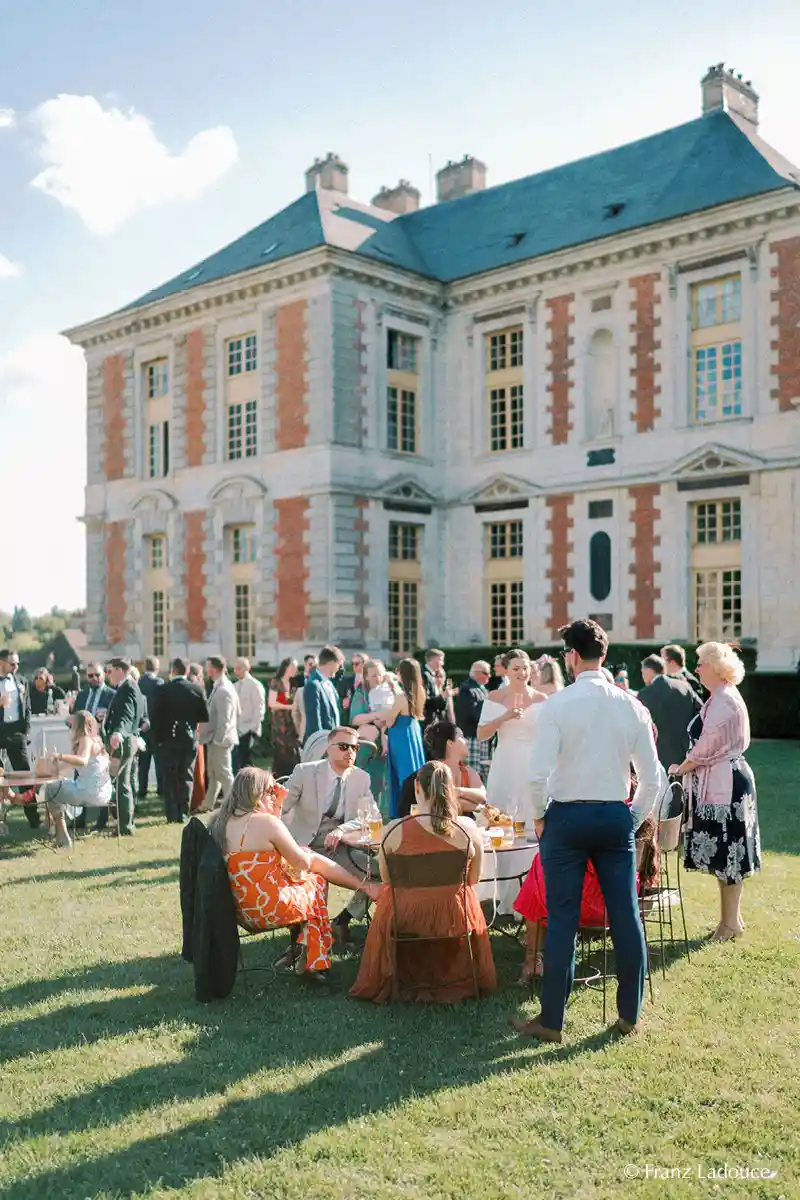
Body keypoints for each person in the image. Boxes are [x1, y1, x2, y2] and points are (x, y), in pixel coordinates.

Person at [509, 619, 661, 1043]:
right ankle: (629, 1015)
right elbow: (653, 777)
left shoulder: (557, 705)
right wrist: (631, 817)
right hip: (613, 816)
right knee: (627, 919)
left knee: (562, 919)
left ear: (571, 657)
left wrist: (540, 817)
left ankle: (552, 1021)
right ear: (604, 655)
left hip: (566, 818)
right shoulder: (631, 705)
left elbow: (536, 775)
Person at [210, 767, 381, 983]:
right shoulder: (265, 823)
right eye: (271, 792)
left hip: (238, 909)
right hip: (268, 910)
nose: (275, 796)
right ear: (257, 794)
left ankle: (302, 949)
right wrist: (279, 811)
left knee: (308, 869)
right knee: (316, 878)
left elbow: (271, 847)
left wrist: (277, 805)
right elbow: (301, 861)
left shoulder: (219, 822)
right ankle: (312, 958)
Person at [351, 760, 497, 1004]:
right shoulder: (468, 828)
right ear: (451, 789)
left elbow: (387, 879)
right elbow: (473, 879)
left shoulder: (393, 829)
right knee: (465, 895)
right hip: (453, 915)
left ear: (417, 787)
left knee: (390, 895)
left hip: (406, 914)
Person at [669, 642, 760, 943]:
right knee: (726, 855)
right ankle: (730, 920)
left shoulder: (723, 699)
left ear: (715, 667)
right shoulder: (720, 696)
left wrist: (681, 768)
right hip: (726, 780)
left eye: (700, 664)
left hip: (728, 784)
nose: (696, 669)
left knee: (730, 855)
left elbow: (707, 746)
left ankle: (730, 923)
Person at [515, 814, 660, 983]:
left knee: (541, 869)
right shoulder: (635, 818)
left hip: (581, 908)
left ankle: (533, 960)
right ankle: (535, 958)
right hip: (620, 906)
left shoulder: (593, 823)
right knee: (548, 875)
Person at [281, 726, 375, 944]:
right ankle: (300, 943)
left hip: (340, 848)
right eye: (343, 746)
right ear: (328, 748)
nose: (350, 751)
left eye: (354, 747)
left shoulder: (362, 778)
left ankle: (344, 919)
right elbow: (280, 806)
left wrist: (342, 830)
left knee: (377, 871)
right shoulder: (305, 772)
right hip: (304, 848)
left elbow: (371, 816)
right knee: (310, 884)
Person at [477, 649, 547, 828]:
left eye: (525, 668)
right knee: (500, 816)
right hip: (505, 759)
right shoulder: (495, 697)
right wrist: (503, 718)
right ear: (506, 670)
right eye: (516, 669)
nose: (522, 673)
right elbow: (481, 734)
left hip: (532, 762)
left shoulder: (541, 699)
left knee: (532, 815)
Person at [150, 657, 210, 824]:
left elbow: (155, 718)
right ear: (187, 670)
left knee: (170, 777)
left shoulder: (162, 690)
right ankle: (183, 812)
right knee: (186, 776)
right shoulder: (195, 690)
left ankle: (171, 813)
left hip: (167, 739)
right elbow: (203, 716)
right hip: (189, 738)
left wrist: (157, 740)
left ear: (173, 670)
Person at [44, 711, 112, 849]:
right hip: (104, 793)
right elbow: (75, 763)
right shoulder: (97, 739)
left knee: (50, 790)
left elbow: (82, 761)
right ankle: (59, 834)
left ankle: (62, 836)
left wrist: (61, 756)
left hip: (89, 793)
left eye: (73, 724)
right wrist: (57, 770)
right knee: (57, 787)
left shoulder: (86, 739)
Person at [398, 719, 486, 817]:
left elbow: (482, 796)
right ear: (450, 743)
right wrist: (472, 804)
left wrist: (457, 791)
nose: (467, 741)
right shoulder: (430, 773)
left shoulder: (467, 771)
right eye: (461, 736)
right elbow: (437, 804)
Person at [97, 657, 142, 836]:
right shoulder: (129, 686)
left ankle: (125, 827)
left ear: (120, 670)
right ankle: (126, 824)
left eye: (109, 671)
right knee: (126, 783)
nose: (107, 675)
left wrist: (118, 733)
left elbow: (127, 715)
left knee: (123, 785)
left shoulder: (128, 687)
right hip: (128, 738)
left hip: (124, 740)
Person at [637, 654, 701, 772]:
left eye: (642, 671)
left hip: (659, 755)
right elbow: (701, 713)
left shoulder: (645, 694)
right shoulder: (684, 686)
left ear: (648, 670)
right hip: (686, 753)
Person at [383, 658, 426, 819]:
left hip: (401, 737)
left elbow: (389, 721)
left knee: (402, 773)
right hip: (413, 733)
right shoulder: (419, 692)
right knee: (414, 770)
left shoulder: (401, 697)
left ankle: (402, 812)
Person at [348, 658, 390, 819]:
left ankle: (380, 815)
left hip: (384, 743)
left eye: (379, 675)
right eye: (372, 676)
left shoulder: (389, 690)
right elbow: (355, 719)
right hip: (366, 745)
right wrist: (376, 715)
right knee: (364, 780)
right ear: (365, 677)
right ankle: (360, 815)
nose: (377, 679)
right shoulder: (361, 694)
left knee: (381, 781)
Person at [0, 649, 38, 828]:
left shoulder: (22, 681)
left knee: (25, 775)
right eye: (12, 663)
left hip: (16, 733)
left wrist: (26, 732)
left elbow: (28, 708)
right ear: (1, 662)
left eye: (17, 664)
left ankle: (33, 818)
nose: (16, 667)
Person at [198, 657, 240, 808]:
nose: (206, 670)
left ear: (215, 669)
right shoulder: (220, 686)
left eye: (208, 667)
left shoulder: (224, 690)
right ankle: (208, 804)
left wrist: (218, 740)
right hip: (214, 739)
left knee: (224, 774)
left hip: (220, 740)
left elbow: (225, 719)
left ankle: (234, 805)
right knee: (214, 774)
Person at [454, 661, 492, 781]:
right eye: (486, 673)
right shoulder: (467, 689)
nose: (489, 676)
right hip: (472, 737)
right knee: (472, 772)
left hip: (481, 736)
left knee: (483, 771)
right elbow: (472, 713)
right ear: (476, 673)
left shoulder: (481, 689)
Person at [302, 645, 343, 744]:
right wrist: (321, 745)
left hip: (333, 743)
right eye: (339, 664)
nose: (339, 668)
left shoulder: (329, 684)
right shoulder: (313, 685)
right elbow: (314, 722)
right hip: (322, 745)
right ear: (332, 663)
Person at [267, 657, 300, 779]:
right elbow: (272, 703)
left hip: (291, 724)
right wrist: (289, 707)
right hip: (279, 725)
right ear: (286, 668)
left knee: (292, 754)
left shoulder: (293, 684)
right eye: (293, 667)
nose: (295, 670)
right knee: (280, 754)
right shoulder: (276, 682)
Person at [137, 657, 164, 800]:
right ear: (157, 668)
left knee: (143, 762)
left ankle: (142, 789)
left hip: (142, 726)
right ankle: (160, 789)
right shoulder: (159, 683)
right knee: (158, 762)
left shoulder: (139, 682)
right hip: (157, 727)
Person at [233, 657, 266, 772]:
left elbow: (259, 709)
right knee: (238, 764)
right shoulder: (235, 686)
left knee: (248, 765)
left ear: (247, 668)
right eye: (235, 668)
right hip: (237, 731)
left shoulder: (255, 685)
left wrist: (252, 729)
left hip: (249, 731)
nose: (236, 671)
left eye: (239, 668)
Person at [188, 662, 207, 812]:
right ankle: (197, 799)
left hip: (195, 730)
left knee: (194, 769)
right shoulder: (200, 688)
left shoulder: (192, 686)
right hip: (198, 731)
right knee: (198, 768)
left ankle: (195, 800)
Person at [291, 654, 318, 743]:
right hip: (301, 717)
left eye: (315, 665)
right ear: (305, 664)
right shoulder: (296, 679)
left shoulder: (319, 680)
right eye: (310, 664)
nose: (312, 667)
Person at [421, 649, 448, 727]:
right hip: (427, 722)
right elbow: (425, 701)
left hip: (434, 721)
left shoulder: (431, 675)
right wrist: (443, 696)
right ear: (433, 659)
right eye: (441, 660)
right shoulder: (425, 675)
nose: (442, 664)